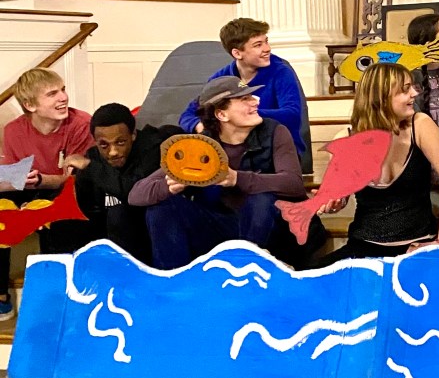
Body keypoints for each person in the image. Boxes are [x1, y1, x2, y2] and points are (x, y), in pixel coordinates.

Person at [130, 76, 324, 270]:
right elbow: (136, 195)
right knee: (163, 207)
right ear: (221, 114)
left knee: (261, 199)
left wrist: (236, 178)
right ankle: (175, 280)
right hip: (218, 227)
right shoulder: (200, 145)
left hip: (271, 232)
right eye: (244, 99)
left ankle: (250, 265)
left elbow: (293, 184)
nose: (255, 102)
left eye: (251, 96)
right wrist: (170, 186)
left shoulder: (275, 132)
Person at [317, 62, 439, 264]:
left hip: (416, 247)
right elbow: (340, 197)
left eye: (412, 87)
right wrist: (333, 202)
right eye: (405, 89)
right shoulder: (344, 140)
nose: (414, 93)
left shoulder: (420, 124)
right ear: (381, 97)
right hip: (363, 246)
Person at [0, 68, 95, 320]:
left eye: (62, 90)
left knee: (56, 211)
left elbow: (76, 178)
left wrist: (41, 180)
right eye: (52, 94)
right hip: (28, 188)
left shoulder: (81, 123)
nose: (63, 97)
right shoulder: (13, 130)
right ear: (30, 105)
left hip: (66, 189)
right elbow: (12, 175)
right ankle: (1, 296)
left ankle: (58, 295)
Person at [178, 18, 313, 173]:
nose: (267, 49)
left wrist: (243, 114)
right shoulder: (221, 78)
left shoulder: (281, 72)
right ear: (237, 53)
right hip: (233, 151)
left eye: (266, 41)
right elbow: (188, 115)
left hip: (275, 151)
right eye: (258, 45)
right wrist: (199, 125)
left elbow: (292, 115)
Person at [64, 104, 181, 265]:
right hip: (114, 241)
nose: (113, 152)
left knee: (119, 214)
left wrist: (90, 167)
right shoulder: (93, 159)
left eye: (120, 142)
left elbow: (133, 192)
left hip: (154, 234)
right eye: (104, 145)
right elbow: (89, 211)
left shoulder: (153, 148)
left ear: (133, 135)